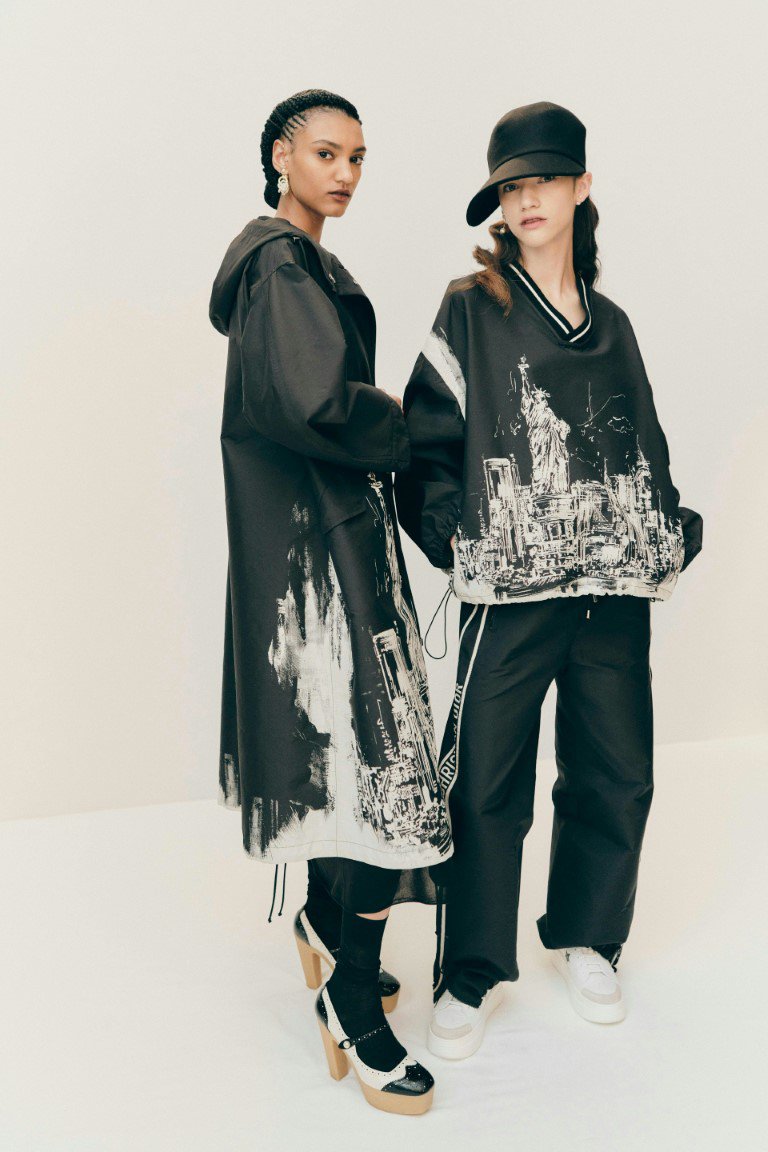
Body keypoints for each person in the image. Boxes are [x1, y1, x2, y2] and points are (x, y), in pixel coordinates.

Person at [395, 101, 703, 1060]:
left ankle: (588, 936)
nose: (527, 199)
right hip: (509, 596)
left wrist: (670, 528)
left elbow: (643, 446)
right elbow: (425, 444)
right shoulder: (469, 309)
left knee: (615, 768)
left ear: (581, 187)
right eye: (512, 187)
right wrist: (458, 540)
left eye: (544, 181)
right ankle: (473, 969)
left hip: (611, 596)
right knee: (488, 780)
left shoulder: (614, 326)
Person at [209, 89, 450, 1114]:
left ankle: (321, 921)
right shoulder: (280, 265)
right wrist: (402, 422)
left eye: (357, 157)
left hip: (321, 542)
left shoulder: (298, 264)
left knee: (356, 760)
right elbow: (314, 404)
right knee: (385, 768)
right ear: (281, 156)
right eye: (324, 153)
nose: (344, 173)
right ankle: (351, 999)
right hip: (320, 555)